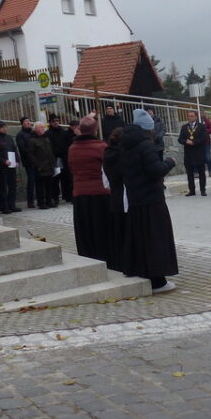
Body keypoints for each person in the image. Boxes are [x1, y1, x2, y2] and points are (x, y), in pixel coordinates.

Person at [120, 109, 178, 293]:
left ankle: (141, 271)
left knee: (141, 239)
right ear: (147, 129)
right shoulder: (146, 145)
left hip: (135, 199)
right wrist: (170, 162)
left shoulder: (125, 144)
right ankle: (158, 280)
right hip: (151, 199)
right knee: (156, 239)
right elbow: (155, 170)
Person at [68, 116, 113, 263]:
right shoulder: (102, 147)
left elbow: (72, 169)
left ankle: (87, 258)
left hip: (80, 193)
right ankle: (106, 257)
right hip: (101, 193)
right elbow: (109, 169)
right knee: (102, 229)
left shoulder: (72, 148)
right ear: (95, 130)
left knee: (85, 230)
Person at [102, 126, 127, 270]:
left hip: (114, 197)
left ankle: (118, 262)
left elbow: (105, 182)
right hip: (126, 198)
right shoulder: (124, 155)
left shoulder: (106, 155)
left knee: (118, 233)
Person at [0, 120, 20, 214]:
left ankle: (12, 205)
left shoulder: (9, 138)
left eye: (5, 127)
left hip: (11, 165)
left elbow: (14, 150)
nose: (5, 129)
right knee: (3, 187)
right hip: (2, 167)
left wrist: (17, 161)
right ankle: (4, 206)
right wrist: (3, 161)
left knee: (13, 186)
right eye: (3, 127)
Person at [27, 122, 58, 209]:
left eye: (43, 127)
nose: (43, 128)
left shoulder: (46, 138)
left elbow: (51, 152)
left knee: (49, 185)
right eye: (41, 127)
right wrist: (37, 165)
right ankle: (41, 202)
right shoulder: (32, 140)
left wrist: (54, 164)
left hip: (49, 166)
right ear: (36, 129)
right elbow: (30, 154)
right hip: (40, 167)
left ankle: (49, 201)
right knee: (40, 186)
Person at [178, 110, 209, 196]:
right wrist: (186, 141)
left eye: (192, 116)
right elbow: (180, 139)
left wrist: (194, 142)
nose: (190, 118)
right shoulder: (184, 127)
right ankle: (192, 190)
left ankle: (203, 190)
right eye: (189, 116)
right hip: (188, 153)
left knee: (201, 172)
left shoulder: (201, 126)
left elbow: (204, 137)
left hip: (199, 152)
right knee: (189, 173)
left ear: (196, 117)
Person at [47, 113, 74, 202]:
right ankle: (55, 197)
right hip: (54, 158)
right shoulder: (48, 133)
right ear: (50, 122)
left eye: (57, 121)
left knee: (66, 177)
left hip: (64, 157)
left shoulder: (63, 132)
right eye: (53, 121)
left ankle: (67, 196)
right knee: (55, 178)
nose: (56, 123)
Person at [16, 117, 37, 208]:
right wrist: (31, 155)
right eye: (26, 121)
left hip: (37, 160)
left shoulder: (33, 133)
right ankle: (30, 201)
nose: (28, 123)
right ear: (22, 124)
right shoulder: (20, 135)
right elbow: (22, 148)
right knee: (31, 180)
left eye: (29, 121)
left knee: (39, 180)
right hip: (28, 161)